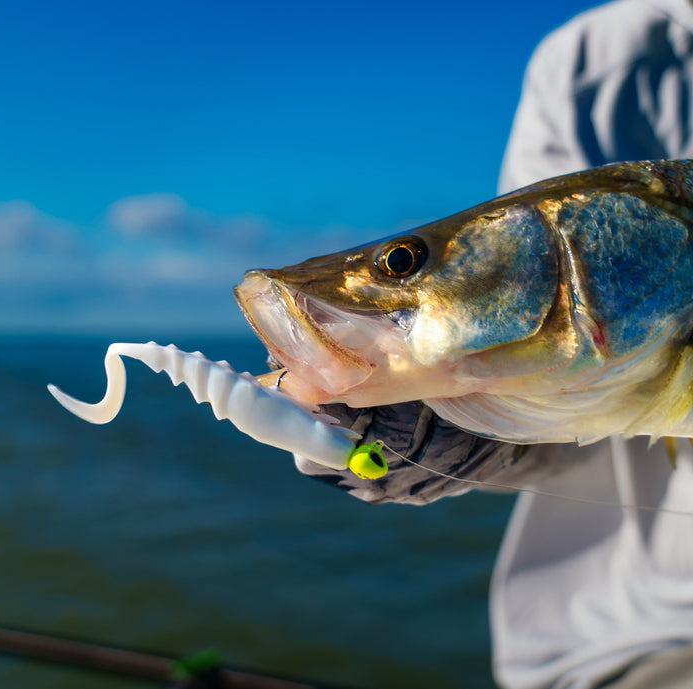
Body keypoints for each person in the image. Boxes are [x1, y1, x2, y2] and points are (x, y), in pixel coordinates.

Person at [296, 1, 693, 687]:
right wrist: (432, 428)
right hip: (658, 638)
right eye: (404, 263)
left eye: (402, 265)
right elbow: (586, 393)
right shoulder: (602, 64)